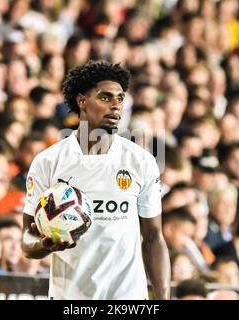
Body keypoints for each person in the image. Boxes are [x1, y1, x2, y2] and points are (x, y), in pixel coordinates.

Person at [22, 61, 170, 300]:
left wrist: (163, 299)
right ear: (82, 101)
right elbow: (27, 239)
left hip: (127, 298)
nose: (116, 106)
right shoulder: (48, 161)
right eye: (105, 98)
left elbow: (153, 237)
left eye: (120, 99)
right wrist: (43, 246)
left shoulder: (141, 161)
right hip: (70, 298)